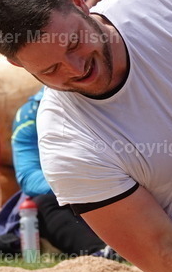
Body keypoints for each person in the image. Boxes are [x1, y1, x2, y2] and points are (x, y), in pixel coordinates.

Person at [12, 88, 117, 256]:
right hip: (66, 194)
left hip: (117, 186)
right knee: (42, 203)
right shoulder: (30, 114)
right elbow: (28, 176)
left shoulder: (112, 102)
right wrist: (78, 185)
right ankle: (100, 253)